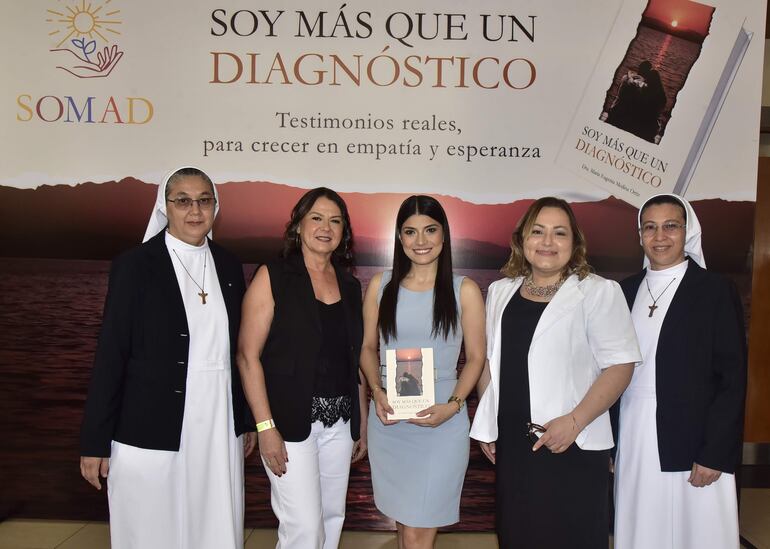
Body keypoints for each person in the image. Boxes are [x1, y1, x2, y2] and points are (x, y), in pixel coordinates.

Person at [79, 166, 256, 549]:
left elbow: (240, 350)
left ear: (215, 207)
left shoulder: (227, 264)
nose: (195, 211)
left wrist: (246, 420)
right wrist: (95, 442)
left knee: (213, 518)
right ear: (166, 206)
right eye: (183, 201)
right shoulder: (135, 265)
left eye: (204, 201)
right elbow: (111, 354)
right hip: (150, 418)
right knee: (150, 521)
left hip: (217, 420)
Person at [470, 196, 641, 549]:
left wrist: (574, 422)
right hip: (515, 448)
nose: (547, 242)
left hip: (573, 444)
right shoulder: (500, 292)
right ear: (521, 240)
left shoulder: (599, 292)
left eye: (559, 233)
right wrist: (489, 422)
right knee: (518, 535)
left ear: (575, 243)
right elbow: (490, 363)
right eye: (538, 231)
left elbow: (620, 365)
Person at [613, 194, 747, 548]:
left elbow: (732, 379)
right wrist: (609, 445)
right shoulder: (623, 291)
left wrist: (714, 452)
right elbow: (608, 371)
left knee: (700, 530)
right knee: (642, 524)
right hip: (634, 430)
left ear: (687, 231)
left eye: (671, 226)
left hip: (696, 437)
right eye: (650, 227)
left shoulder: (715, 290)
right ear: (640, 235)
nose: (660, 236)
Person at [237, 187, 367, 549]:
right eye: (317, 217)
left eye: (335, 220)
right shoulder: (273, 275)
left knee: (330, 520)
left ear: (344, 232)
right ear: (297, 226)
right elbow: (248, 356)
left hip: (340, 423)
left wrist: (362, 425)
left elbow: (354, 358)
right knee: (304, 530)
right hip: (288, 424)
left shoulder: (350, 285)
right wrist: (265, 427)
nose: (326, 227)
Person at [360, 195, 486, 549]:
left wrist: (454, 404)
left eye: (430, 230)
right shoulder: (380, 287)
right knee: (405, 528)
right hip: (390, 421)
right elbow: (368, 349)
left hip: (442, 424)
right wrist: (376, 390)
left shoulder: (465, 291)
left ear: (444, 235)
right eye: (410, 232)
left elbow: (476, 358)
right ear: (399, 239)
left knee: (418, 534)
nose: (421, 241)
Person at [605, 60, 667, 142]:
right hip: (645, 124)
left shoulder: (631, 81)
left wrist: (630, 76)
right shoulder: (659, 96)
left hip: (621, 114)